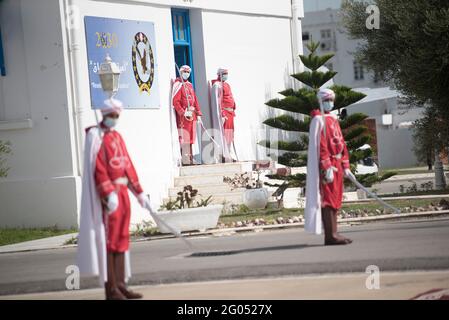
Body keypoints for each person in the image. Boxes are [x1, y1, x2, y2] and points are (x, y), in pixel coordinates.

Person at [77, 98, 151, 299]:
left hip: (123, 193)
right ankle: (111, 289)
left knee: (121, 238)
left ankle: (120, 284)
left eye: (117, 116)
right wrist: (108, 193)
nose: (115, 119)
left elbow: (128, 164)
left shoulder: (116, 136)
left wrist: (139, 192)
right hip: (109, 196)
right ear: (105, 114)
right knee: (109, 241)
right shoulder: (96, 136)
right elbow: (98, 167)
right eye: (113, 115)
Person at [304, 88, 353, 245]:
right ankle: (330, 235)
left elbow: (341, 143)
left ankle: (335, 233)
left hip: (337, 163)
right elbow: (321, 146)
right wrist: (326, 167)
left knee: (336, 198)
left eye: (331, 100)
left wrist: (346, 165)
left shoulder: (333, 119)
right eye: (326, 101)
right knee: (328, 200)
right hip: (329, 166)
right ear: (320, 102)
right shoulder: (319, 120)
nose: (330, 103)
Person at [171, 65, 203, 165]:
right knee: (184, 136)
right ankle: (185, 159)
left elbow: (195, 100)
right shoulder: (178, 84)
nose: (187, 74)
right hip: (184, 115)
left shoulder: (189, 85)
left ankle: (190, 157)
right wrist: (182, 112)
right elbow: (175, 102)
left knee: (191, 137)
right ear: (181, 72)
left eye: (188, 72)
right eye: (185, 71)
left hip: (192, 113)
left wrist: (198, 113)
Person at [210, 67, 237, 162]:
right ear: (219, 75)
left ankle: (229, 154)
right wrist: (222, 113)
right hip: (224, 113)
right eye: (224, 73)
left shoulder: (227, 85)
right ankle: (224, 155)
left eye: (227, 73)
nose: (226, 75)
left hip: (230, 113)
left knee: (230, 135)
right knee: (224, 135)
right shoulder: (217, 85)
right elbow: (217, 101)